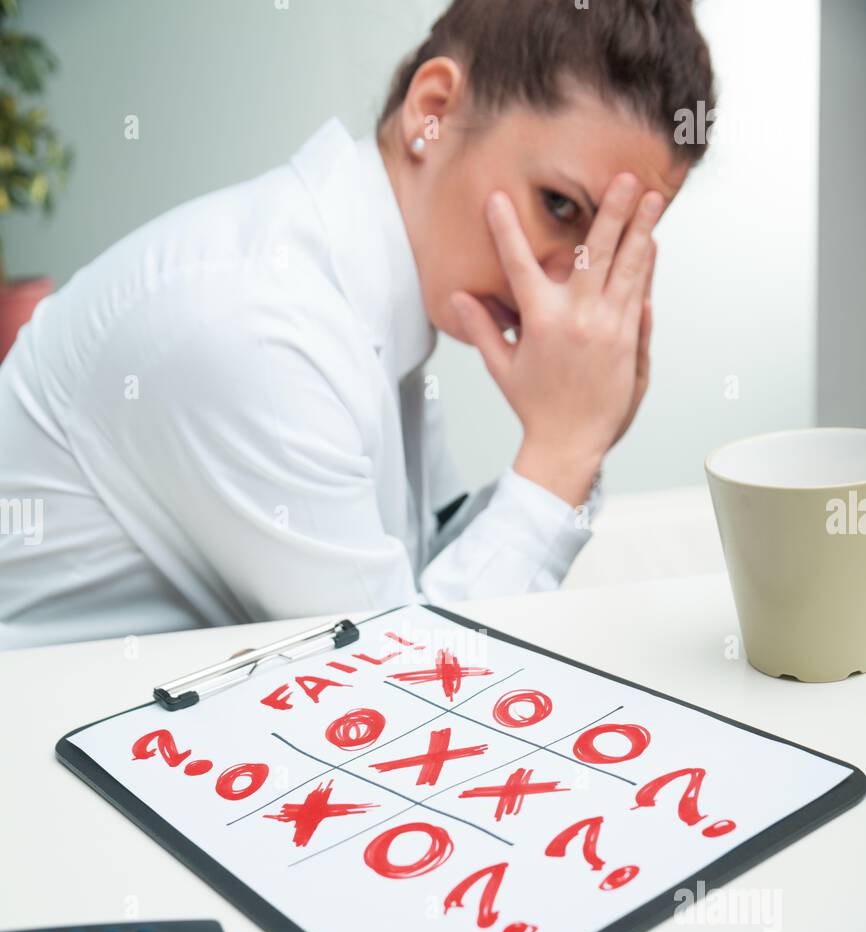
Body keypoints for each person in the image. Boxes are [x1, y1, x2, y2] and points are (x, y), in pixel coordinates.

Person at [0, 0, 715, 650]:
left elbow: (422, 592)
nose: (568, 279)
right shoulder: (260, 325)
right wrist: (564, 449)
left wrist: (573, 451)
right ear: (430, 110)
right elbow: (391, 704)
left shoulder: (370, 306)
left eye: (614, 244)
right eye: (560, 206)